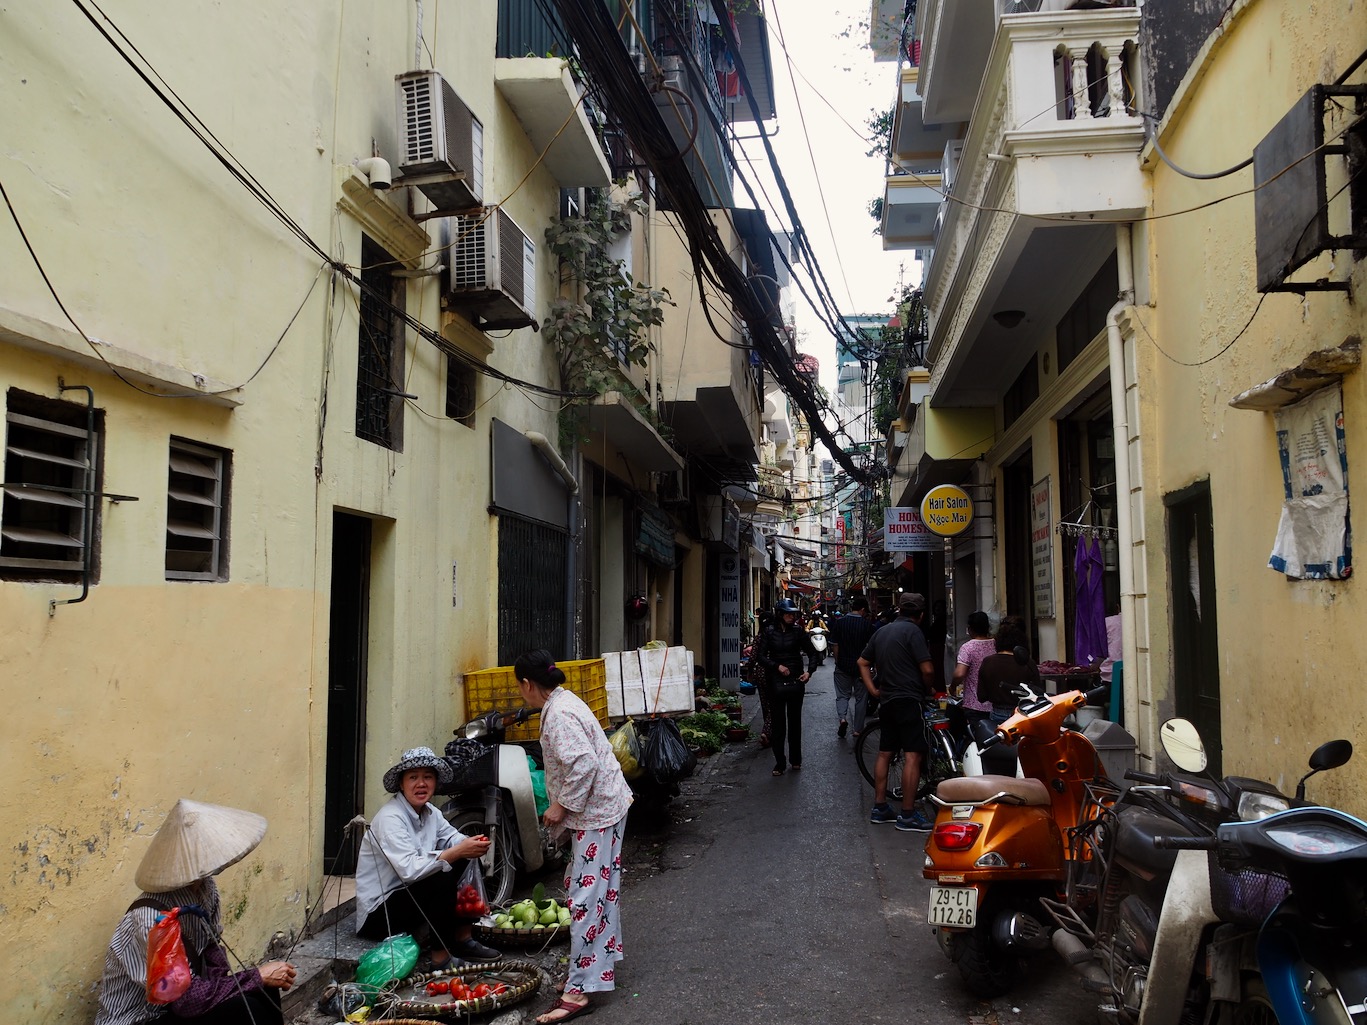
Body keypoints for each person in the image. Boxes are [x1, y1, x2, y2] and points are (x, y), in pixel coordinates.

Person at [94, 798, 297, 1025]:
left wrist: (253, 982)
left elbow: (213, 955)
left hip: (180, 1005)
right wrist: (256, 976)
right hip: (143, 1018)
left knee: (264, 992)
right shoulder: (150, 918)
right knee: (247, 1006)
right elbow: (184, 1001)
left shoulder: (206, 889)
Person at [515, 650, 633, 1023]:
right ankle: (594, 969)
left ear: (527, 684)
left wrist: (560, 807)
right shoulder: (562, 703)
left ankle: (579, 989)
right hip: (605, 807)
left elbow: (583, 762)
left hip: (597, 812)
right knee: (597, 891)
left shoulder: (559, 715)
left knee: (585, 897)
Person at [355, 747, 500, 966]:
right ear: (402, 784)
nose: (421, 784)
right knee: (441, 876)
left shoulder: (431, 812)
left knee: (466, 856)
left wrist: (471, 844)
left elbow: (452, 837)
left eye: (428, 777)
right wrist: (456, 851)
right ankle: (440, 958)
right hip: (378, 916)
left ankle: (463, 938)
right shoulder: (391, 818)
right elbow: (409, 870)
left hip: (411, 898)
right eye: (413, 777)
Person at [857, 592, 934, 831]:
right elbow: (927, 669)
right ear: (921, 615)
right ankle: (908, 814)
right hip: (909, 699)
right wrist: (928, 688)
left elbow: (862, 662)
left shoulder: (882, 631)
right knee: (913, 755)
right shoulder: (914, 632)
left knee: (885, 753)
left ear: (899, 610)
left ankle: (880, 808)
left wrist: (873, 690)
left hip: (887, 701)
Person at [755, 598, 819, 775]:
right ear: (780, 615)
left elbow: (812, 653)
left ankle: (796, 760)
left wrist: (809, 672)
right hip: (775, 681)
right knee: (778, 724)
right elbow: (761, 656)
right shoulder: (769, 631)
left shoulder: (798, 631)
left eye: (793, 614)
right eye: (788, 614)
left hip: (796, 680)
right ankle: (780, 763)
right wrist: (777, 666)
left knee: (794, 721)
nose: (792, 617)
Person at [827, 596, 878, 739]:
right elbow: (872, 648)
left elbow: (835, 645)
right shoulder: (867, 625)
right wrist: (873, 665)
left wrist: (838, 661)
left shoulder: (840, 623)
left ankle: (843, 719)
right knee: (861, 698)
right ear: (862, 610)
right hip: (862, 668)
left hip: (843, 665)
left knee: (842, 696)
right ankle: (858, 729)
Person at [951, 610, 997, 730]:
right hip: (995, 703)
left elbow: (959, 674)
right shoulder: (996, 644)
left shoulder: (968, 647)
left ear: (970, 629)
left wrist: (952, 687)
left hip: (974, 703)